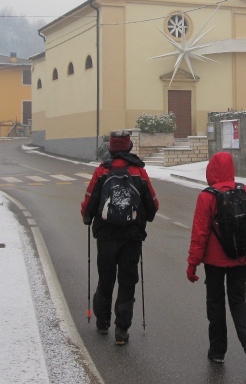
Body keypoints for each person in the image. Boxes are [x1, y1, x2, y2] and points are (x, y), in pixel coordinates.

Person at [186, 152, 246, 374]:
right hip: (241, 257)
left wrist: (192, 264)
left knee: (216, 303)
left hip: (214, 262)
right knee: (239, 302)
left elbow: (199, 235)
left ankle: (218, 351)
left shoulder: (207, 197)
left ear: (211, 170)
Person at [81, 130, 159, 346]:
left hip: (105, 236)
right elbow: (153, 206)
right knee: (127, 282)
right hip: (131, 238)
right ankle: (122, 330)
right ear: (129, 147)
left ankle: (102, 322)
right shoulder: (139, 173)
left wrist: (87, 218)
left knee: (105, 279)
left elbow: (89, 202)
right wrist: (144, 217)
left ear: (111, 148)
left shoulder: (101, 172)